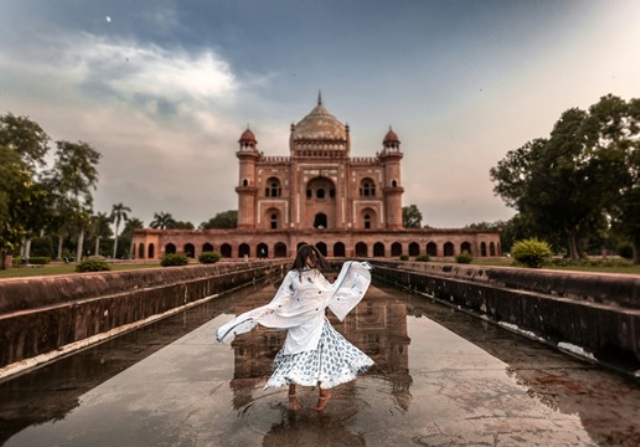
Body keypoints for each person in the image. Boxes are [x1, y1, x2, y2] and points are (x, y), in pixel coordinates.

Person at [216, 244, 374, 411]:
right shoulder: (293, 276)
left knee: (322, 358)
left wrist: (349, 269)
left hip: (317, 322)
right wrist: (266, 311)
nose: (314, 260)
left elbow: (330, 291)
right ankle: (292, 396)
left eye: (316, 257)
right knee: (292, 358)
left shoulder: (317, 274)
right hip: (299, 322)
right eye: (310, 257)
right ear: (302, 257)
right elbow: (282, 297)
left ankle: (324, 394)